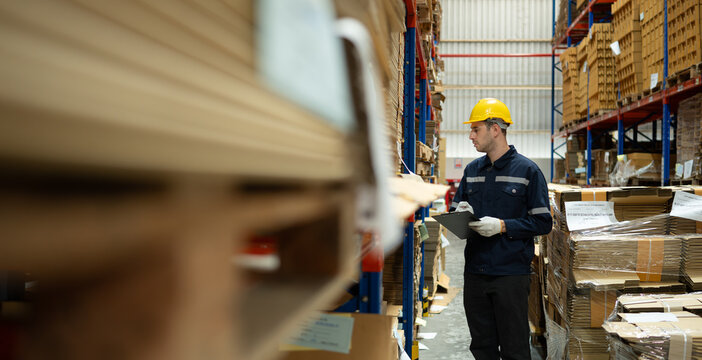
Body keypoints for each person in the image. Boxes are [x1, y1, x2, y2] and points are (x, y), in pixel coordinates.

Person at [450, 98, 552, 360]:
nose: (470, 136)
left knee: (515, 348)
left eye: (476, 129)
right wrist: (458, 214)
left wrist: (503, 226)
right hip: (475, 273)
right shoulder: (472, 170)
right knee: (482, 348)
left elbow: (543, 222)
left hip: (510, 275)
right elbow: (455, 210)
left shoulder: (528, 171)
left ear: (495, 129)